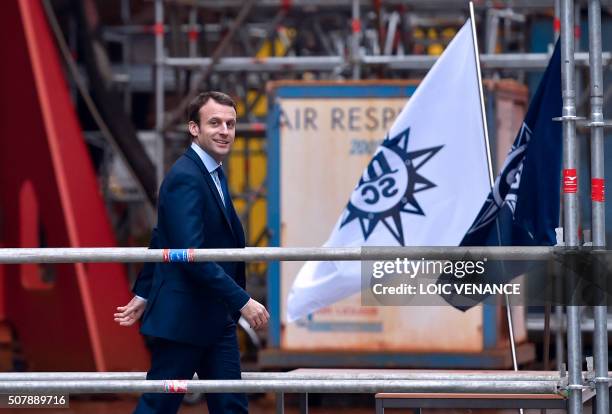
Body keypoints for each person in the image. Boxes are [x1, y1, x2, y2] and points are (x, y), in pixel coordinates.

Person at [114, 91, 269, 414]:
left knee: (231, 406)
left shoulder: (210, 171)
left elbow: (163, 237)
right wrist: (242, 299)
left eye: (230, 124)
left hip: (213, 316)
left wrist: (144, 293)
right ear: (194, 129)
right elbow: (189, 253)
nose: (225, 130)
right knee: (159, 405)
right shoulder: (187, 177)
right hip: (185, 319)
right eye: (214, 123)